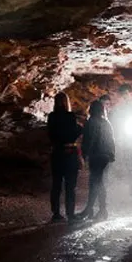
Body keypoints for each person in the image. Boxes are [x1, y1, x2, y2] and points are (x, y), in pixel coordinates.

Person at [47, 92, 83, 222]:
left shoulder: (51, 117)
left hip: (57, 153)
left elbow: (50, 135)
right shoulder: (70, 116)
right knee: (70, 185)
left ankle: (56, 214)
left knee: (56, 185)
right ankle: (70, 214)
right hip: (70, 152)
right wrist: (80, 128)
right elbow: (74, 133)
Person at [80, 100, 116, 220]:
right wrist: (112, 155)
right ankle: (93, 209)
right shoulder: (107, 122)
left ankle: (99, 210)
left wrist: (85, 155)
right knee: (98, 182)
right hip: (105, 156)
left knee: (96, 182)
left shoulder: (91, 122)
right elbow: (111, 140)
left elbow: (89, 140)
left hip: (96, 155)